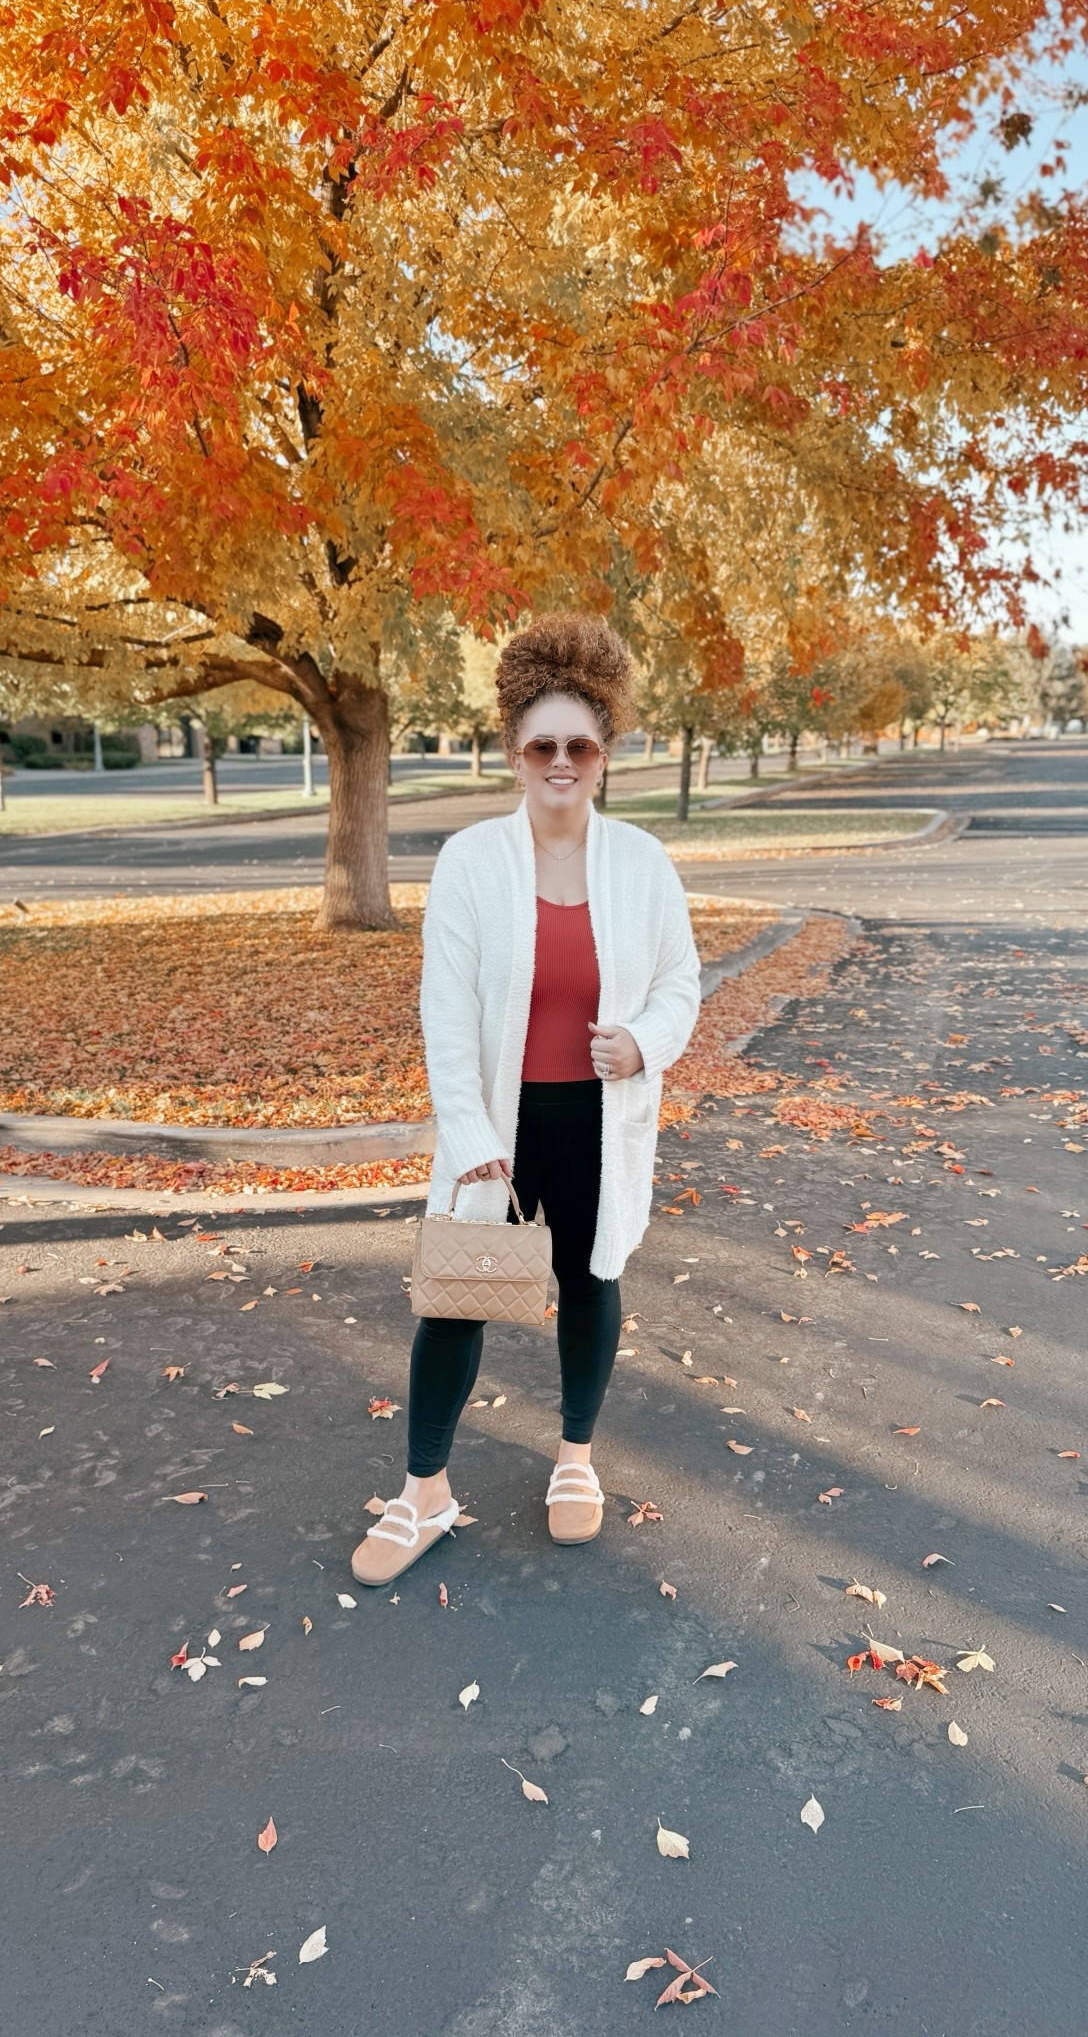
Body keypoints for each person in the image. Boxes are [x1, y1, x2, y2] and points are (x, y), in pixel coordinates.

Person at [352, 614, 702, 1585]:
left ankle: (576, 1460)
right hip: (495, 1134)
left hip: (598, 1125)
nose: (560, 760)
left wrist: (642, 1041)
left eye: (578, 744)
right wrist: (467, 1134)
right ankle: (424, 1491)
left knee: (592, 1281)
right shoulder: (471, 862)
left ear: (604, 753)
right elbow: (446, 1012)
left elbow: (681, 980)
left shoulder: (640, 863)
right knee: (456, 1299)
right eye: (541, 743)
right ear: (512, 750)